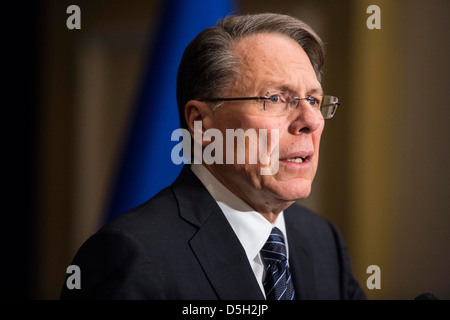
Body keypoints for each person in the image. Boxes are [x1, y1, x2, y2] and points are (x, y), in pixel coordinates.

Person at [61, 13, 366, 300]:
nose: (309, 120)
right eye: (275, 98)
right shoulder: (131, 256)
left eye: (313, 99)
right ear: (201, 123)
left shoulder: (322, 240)